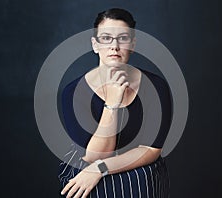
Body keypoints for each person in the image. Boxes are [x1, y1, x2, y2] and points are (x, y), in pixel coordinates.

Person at [58, 8, 172, 198]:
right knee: (86, 186)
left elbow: (150, 150)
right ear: (95, 45)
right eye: (106, 38)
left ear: (133, 44)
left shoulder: (156, 86)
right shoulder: (73, 91)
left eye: (123, 38)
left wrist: (101, 169)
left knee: (143, 181)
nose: (115, 46)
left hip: (137, 162)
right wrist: (112, 104)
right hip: (88, 158)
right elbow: (94, 156)